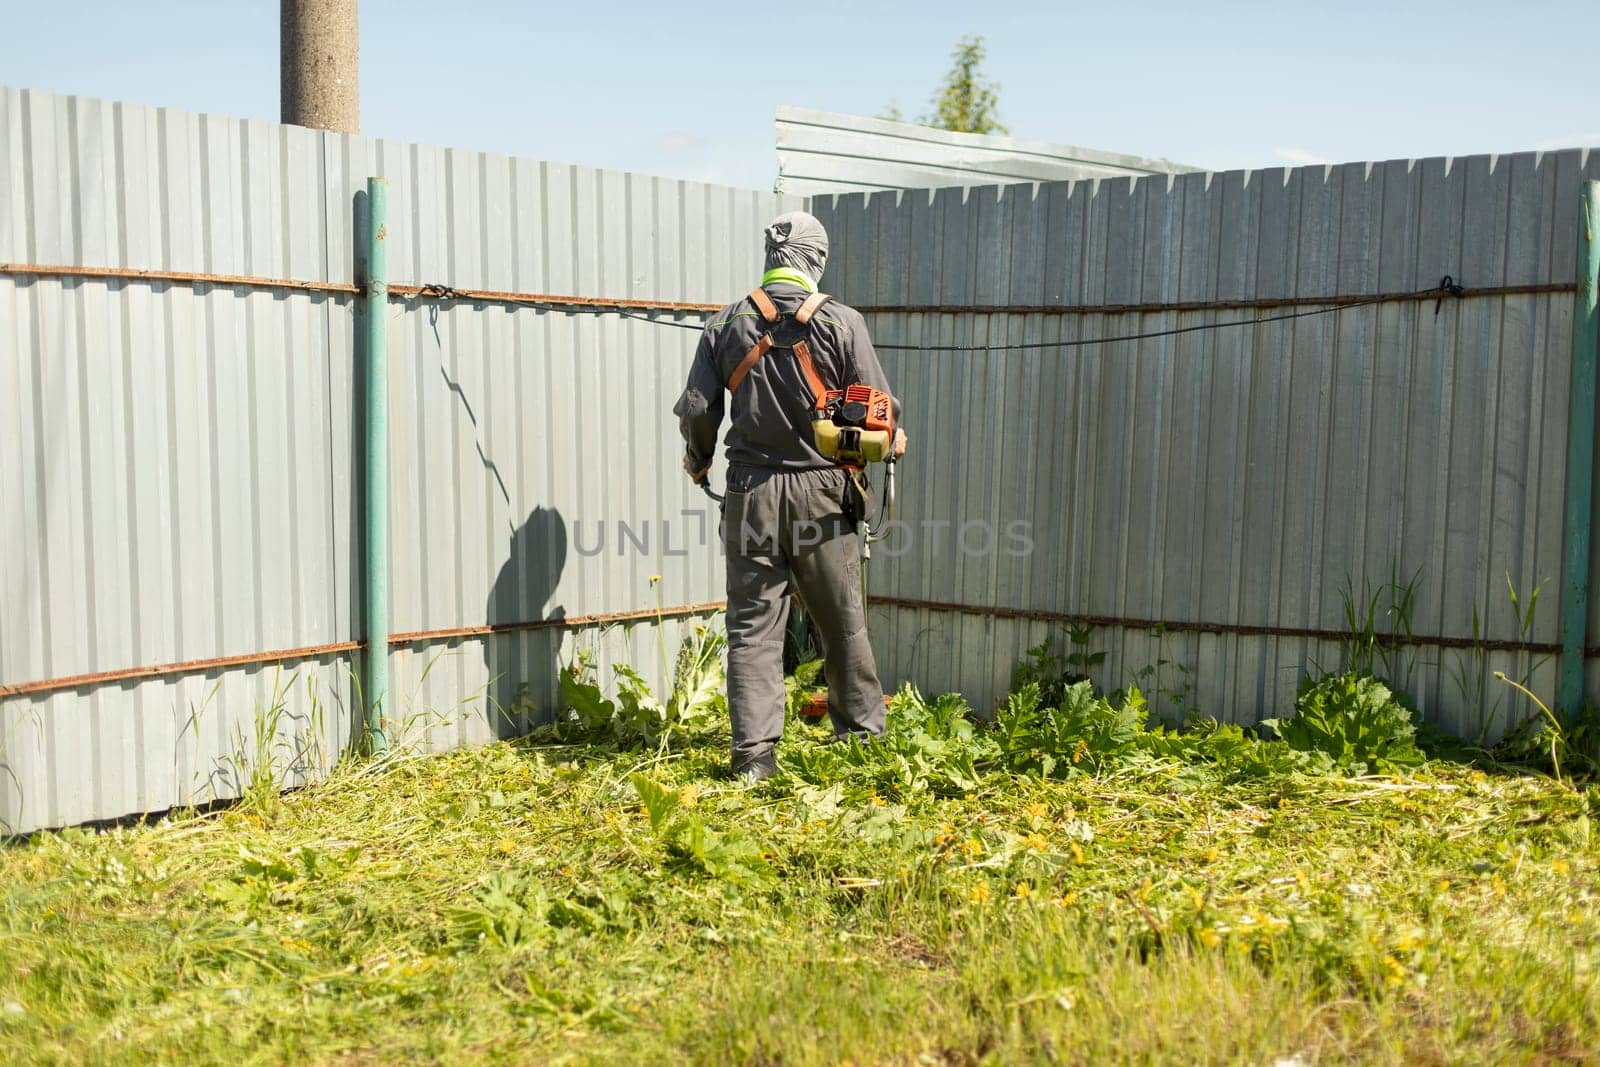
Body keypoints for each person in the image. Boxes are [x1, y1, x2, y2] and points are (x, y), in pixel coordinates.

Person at [673, 211, 907, 782]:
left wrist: (699, 460)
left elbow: (700, 410)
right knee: (843, 622)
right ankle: (862, 745)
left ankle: (753, 761)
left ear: (770, 257)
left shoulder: (725, 325)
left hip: (751, 491)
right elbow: (880, 409)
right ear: (817, 260)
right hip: (825, 493)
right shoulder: (842, 322)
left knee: (752, 628)